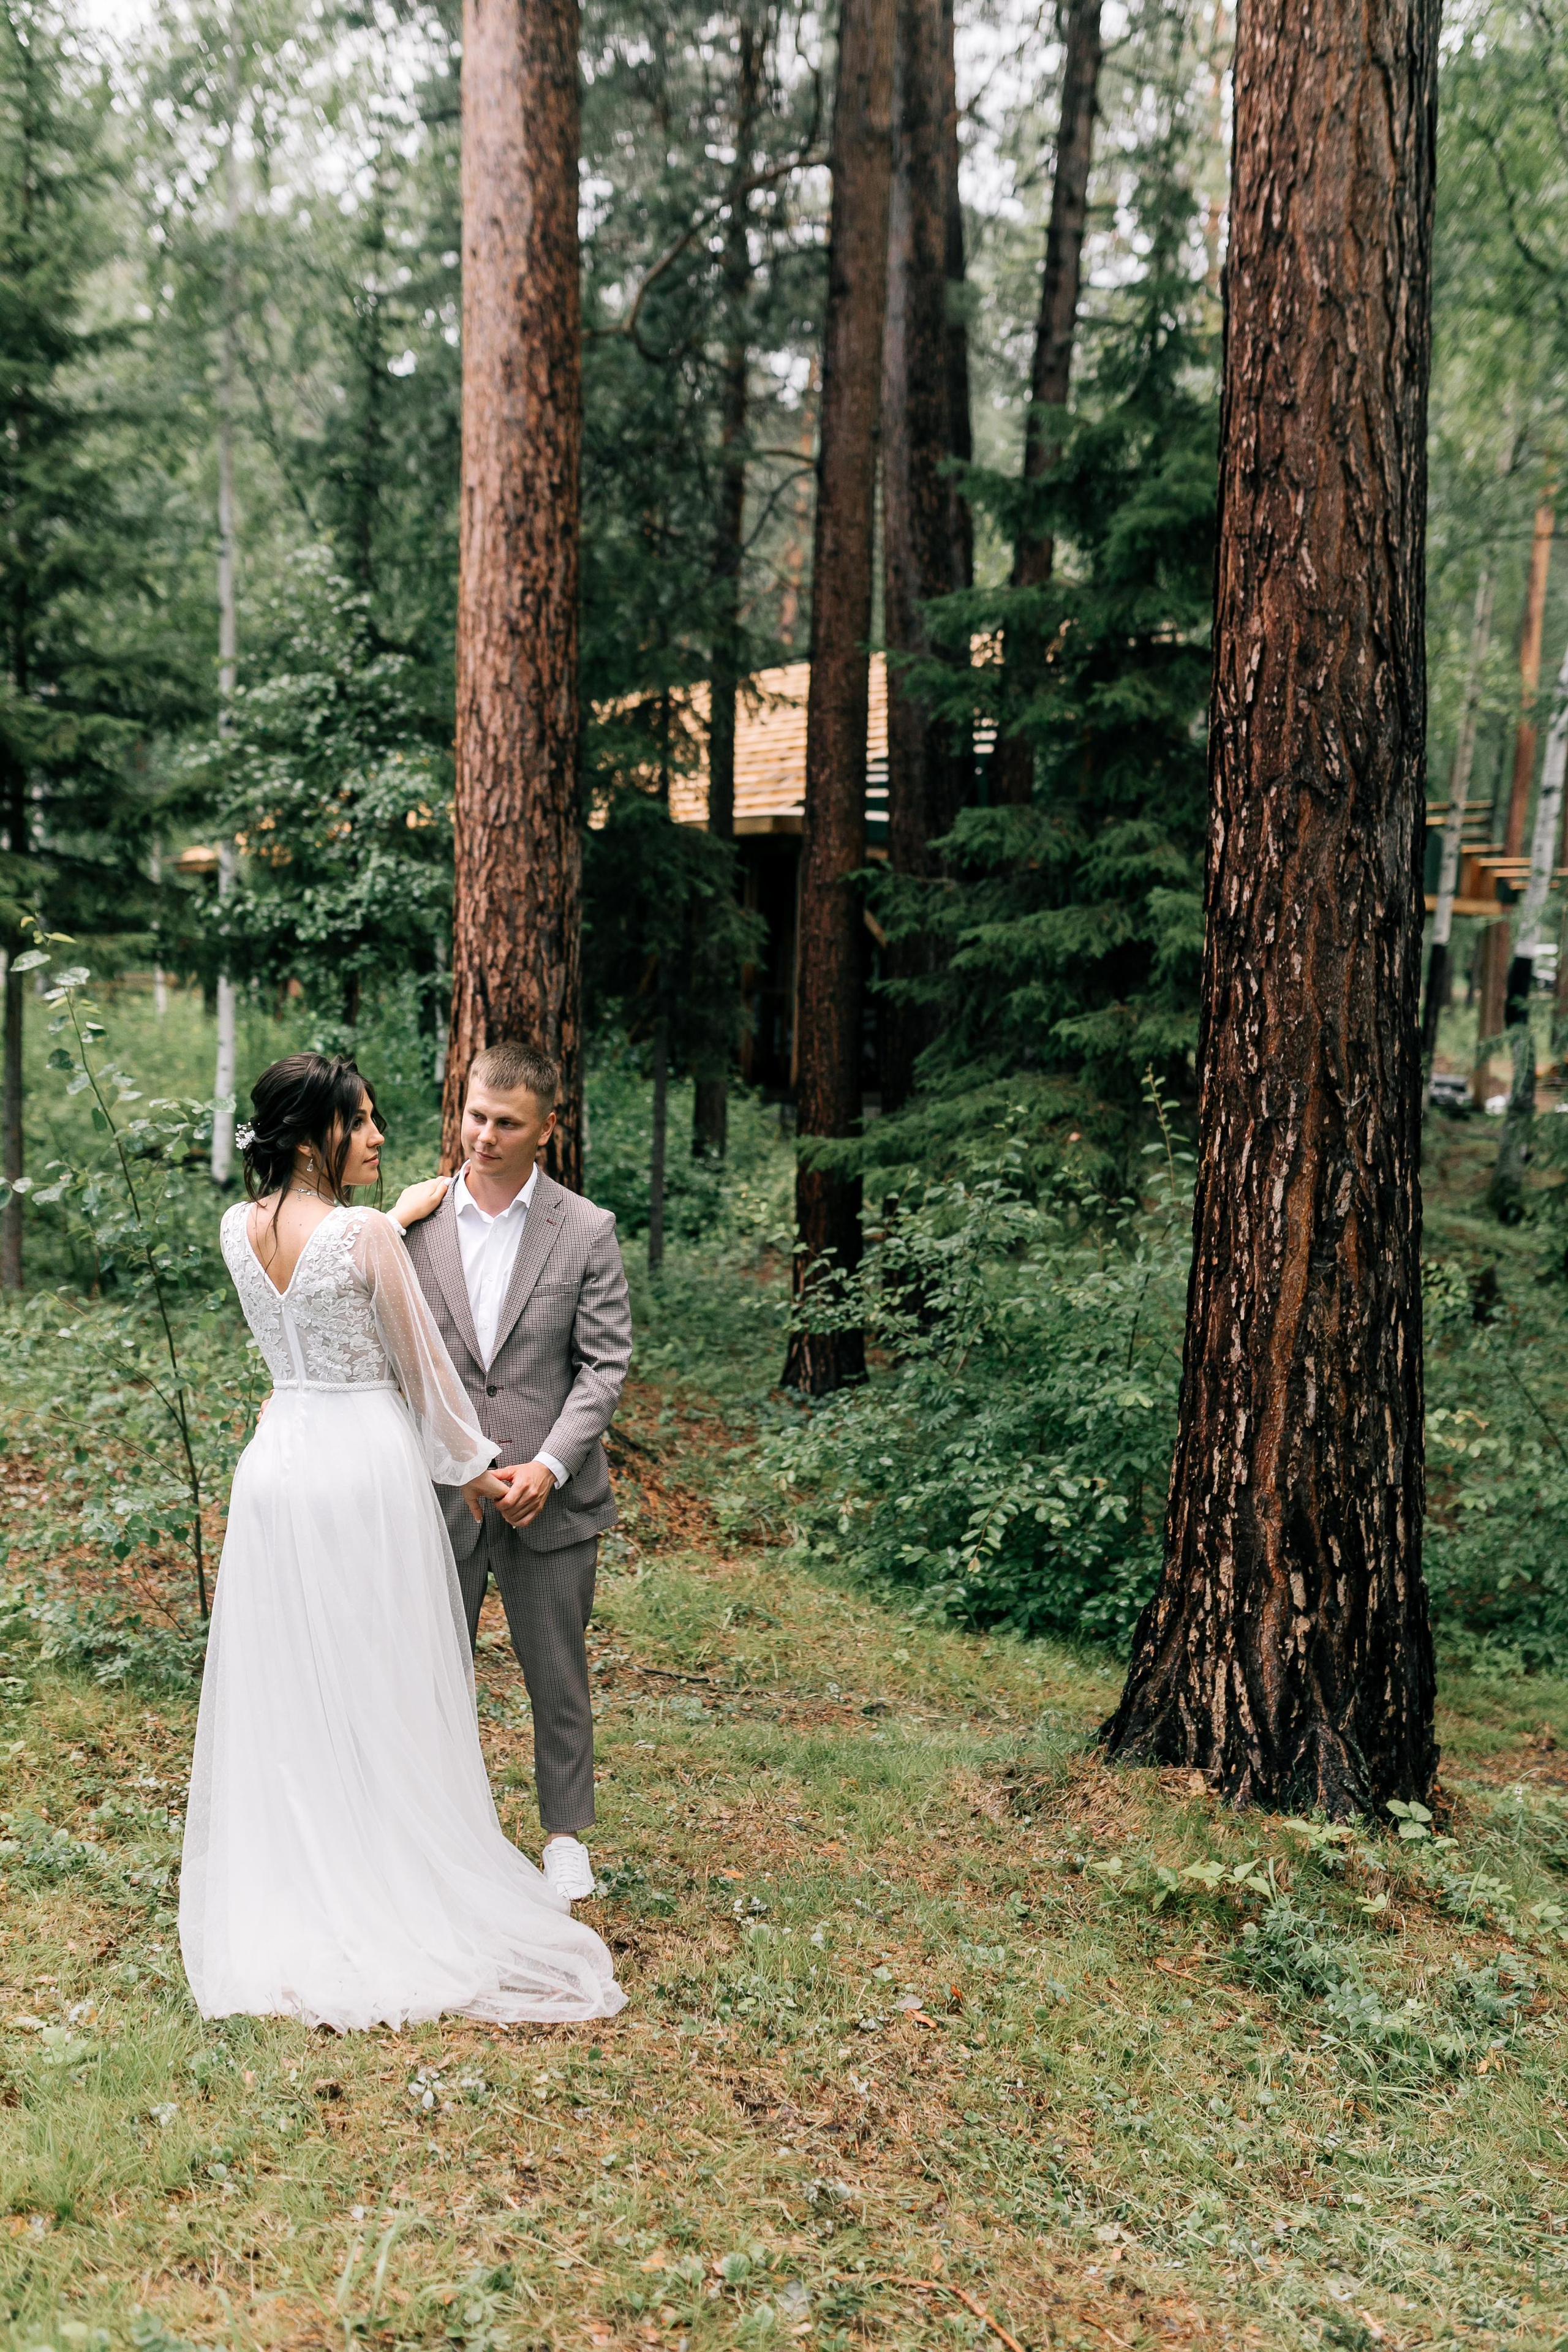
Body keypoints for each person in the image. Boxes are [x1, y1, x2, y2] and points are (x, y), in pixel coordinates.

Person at [178, 1052, 625, 2033]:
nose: (379, 1136)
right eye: (363, 1122)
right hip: (364, 1469)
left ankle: (308, 1866)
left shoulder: (234, 1228)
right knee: (388, 1670)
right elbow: (426, 1377)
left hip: (277, 1468)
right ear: (313, 1138)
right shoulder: (366, 1234)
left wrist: (401, 1209)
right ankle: (389, 1871)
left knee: (300, 1677)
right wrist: (480, 1475)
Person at [394, 1042, 633, 1905]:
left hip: (551, 1500)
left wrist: (552, 1464)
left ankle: (564, 1837)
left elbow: (604, 1365)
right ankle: (431, 1830)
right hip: (440, 1492)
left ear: (548, 1131)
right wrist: (451, 1458)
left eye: (506, 1123)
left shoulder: (587, 1229)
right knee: (427, 1670)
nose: (484, 1137)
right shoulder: (414, 1225)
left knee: (556, 1673)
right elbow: (397, 1356)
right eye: (474, 1116)